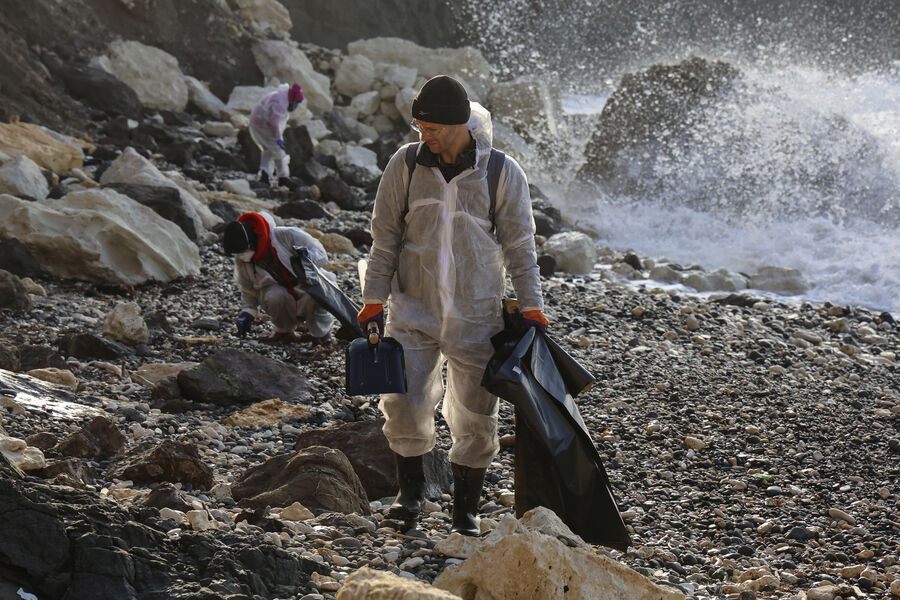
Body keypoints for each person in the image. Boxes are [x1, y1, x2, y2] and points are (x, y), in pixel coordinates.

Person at [358, 75, 549, 536]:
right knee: (402, 401)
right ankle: (410, 494)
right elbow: (384, 239)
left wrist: (532, 306)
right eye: (420, 124)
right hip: (413, 310)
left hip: (477, 315)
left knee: (477, 414)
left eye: (434, 126)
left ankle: (465, 508)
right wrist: (372, 299)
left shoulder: (502, 172)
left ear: (460, 123)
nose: (425, 133)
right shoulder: (404, 165)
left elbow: (520, 247)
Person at [222, 211, 335, 344]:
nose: (240, 256)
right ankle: (284, 331)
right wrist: (247, 313)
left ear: (253, 242)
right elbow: (248, 289)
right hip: (281, 296)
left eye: (242, 251)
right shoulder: (243, 260)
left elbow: (321, 253)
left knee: (316, 294)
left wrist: (307, 259)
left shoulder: (286, 235)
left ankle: (321, 334)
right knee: (274, 296)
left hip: (308, 285)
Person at [248, 82, 304, 186]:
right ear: (293, 99)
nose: (296, 105)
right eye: (296, 102)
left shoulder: (281, 97)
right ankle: (283, 179)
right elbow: (274, 122)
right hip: (262, 125)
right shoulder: (281, 102)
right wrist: (279, 139)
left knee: (268, 150)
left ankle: (265, 175)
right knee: (279, 152)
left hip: (259, 123)